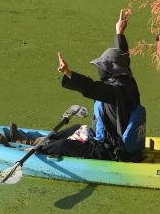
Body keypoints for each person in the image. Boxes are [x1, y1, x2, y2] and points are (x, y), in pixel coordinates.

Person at [24, 9, 146, 162]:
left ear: (111, 71)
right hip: (117, 144)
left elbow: (90, 87)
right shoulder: (128, 79)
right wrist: (119, 32)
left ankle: (35, 150)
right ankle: (38, 140)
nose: (100, 70)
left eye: (102, 66)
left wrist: (68, 72)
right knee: (76, 128)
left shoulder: (114, 91)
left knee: (64, 145)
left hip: (111, 151)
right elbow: (123, 56)